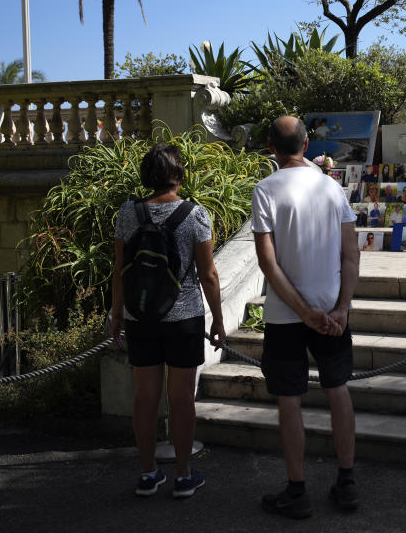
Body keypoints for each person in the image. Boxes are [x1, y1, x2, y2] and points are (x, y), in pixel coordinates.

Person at [251, 117, 360, 518]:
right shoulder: (332, 187)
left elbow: (268, 262)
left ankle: (297, 491)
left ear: (269, 146)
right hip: (332, 311)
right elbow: (352, 254)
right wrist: (340, 309)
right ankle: (347, 482)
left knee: (289, 400)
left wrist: (301, 311)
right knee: (339, 390)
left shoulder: (265, 189)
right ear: (307, 143)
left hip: (285, 315)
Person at [111, 142, 226, 499]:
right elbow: (207, 274)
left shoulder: (127, 214)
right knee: (181, 400)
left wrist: (117, 316)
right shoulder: (195, 215)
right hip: (184, 318)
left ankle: (148, 474)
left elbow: (119, 271)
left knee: (145, 398)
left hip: (141, 316)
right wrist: (218, 319)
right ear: (179, 174)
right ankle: (183, 475)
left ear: (148, 175)